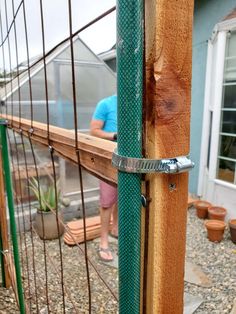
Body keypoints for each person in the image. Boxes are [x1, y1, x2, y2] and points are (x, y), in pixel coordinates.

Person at [90, 94, 118, 262]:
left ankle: (115, 227)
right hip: (108, 159)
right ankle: (104, 241)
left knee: (122, 196)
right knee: (107, 202)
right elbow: (93, 131)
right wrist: (114, 136)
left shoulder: (138, 105)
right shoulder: (106, 103)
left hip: (129, 160)